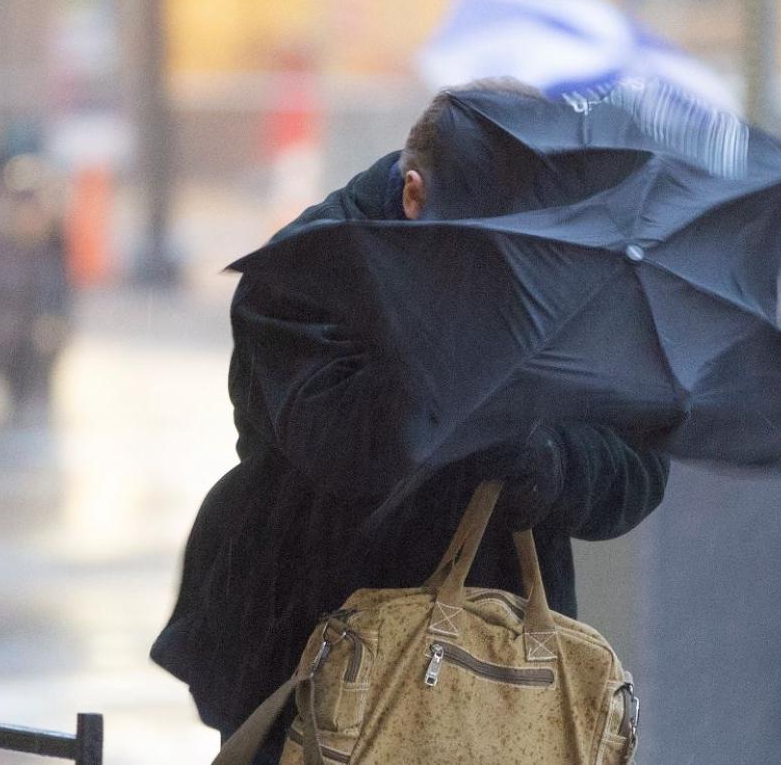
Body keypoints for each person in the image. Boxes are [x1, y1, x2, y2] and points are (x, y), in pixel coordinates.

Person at [151, 78, 670, 763]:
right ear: (414, 194)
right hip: (312, 644)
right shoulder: (308, 274)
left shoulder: (570, 285)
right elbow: (343, 445)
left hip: (500, 668)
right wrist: (477, 361)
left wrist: (549, 460)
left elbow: (635, 471)